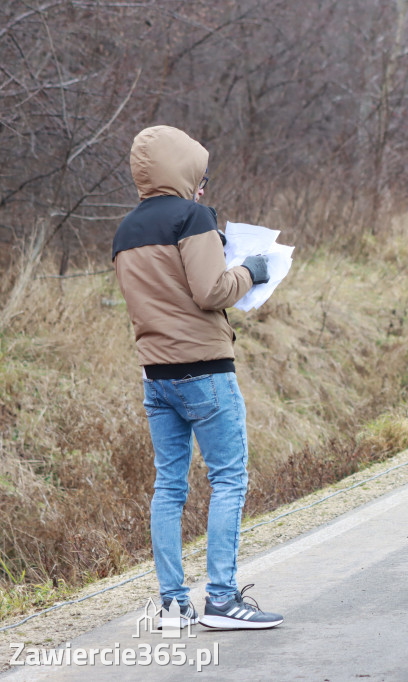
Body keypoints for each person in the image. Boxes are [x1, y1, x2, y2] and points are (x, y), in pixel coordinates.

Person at [112, 125, 283, 630]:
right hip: (205, 371)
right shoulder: (193, 216)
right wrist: (253, 269)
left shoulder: (124, 231)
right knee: (228, 478)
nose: (202, 185)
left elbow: (161, 291)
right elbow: (212, 291)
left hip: (155, 375)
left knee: (169, 486)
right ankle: (224, 601)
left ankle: (172, 605)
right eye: (198, 175)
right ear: (182, 173)